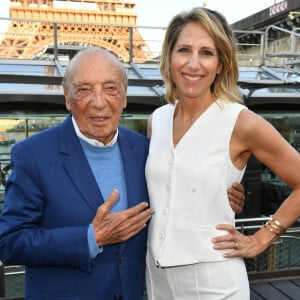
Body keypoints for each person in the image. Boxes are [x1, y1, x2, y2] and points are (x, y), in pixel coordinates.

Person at [0, 47, 245, 300]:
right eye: (84, 90)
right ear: (67, 97)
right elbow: (9, 242)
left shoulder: (145, 150)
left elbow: (176, 196)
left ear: (124, 97)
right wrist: (89, 238)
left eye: (111, 88)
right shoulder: (33, 154)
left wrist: (223, 193)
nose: (99, 101)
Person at [145, 7, 300, 300]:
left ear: (220, 64)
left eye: (207, 52)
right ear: (169, 57)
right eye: (184, 50)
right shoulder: (158, 120)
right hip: (156, 279)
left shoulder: (241, 122)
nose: (193, 64)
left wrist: (262, 237)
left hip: (215, 281)